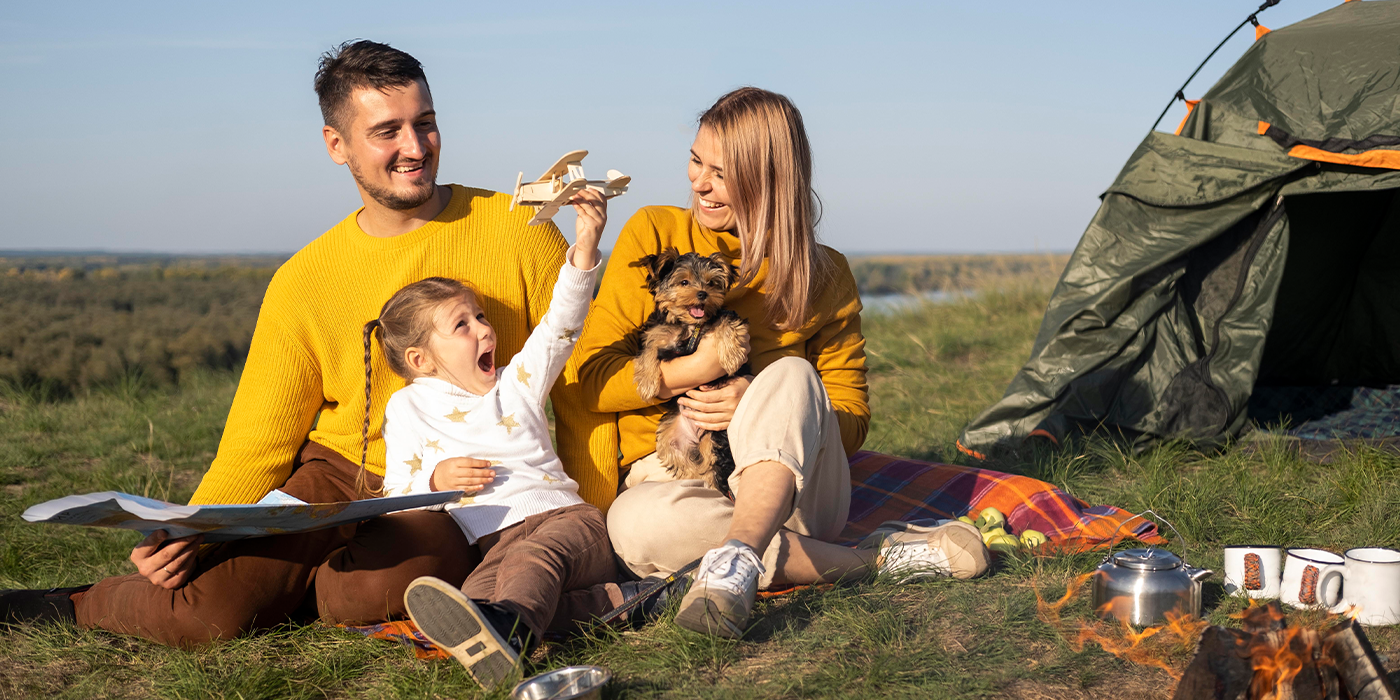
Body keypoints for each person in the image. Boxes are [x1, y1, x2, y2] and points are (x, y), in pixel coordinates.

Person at [0, 40, 619, 647]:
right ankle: (70, 605)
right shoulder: (304, 278)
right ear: (336, 144)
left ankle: (304, 591)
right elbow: (260, 435)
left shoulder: (517, 231)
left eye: (425, 124)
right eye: (387, 131)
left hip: (443, 493)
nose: (414, 148)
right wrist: (196, 527)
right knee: (206, 617)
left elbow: (576, 385)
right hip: (334, 477)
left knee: (395, 584)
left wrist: (599, 523)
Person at [576, 87, 990, 639]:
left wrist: (759, 403)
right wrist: (695, 370)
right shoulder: (656, 232)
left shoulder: (826, 274)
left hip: (794, 487)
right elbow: (591, 382)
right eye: (696, 161)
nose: (699, 181)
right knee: (635, 525)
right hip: (675, 480)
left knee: (789, 376)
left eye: (720, 172)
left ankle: (737, 557)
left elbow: (850, 418)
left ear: (768, 178)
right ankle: (878, 561)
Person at [363, 188, 614, 689]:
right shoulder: (407, 407)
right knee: (475, 598)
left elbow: (559, 328)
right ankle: (625, 600)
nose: (485, 329)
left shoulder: (516, 383)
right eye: (463, 324)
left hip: (567, 523)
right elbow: (394, 493)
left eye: (481, 316)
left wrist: (585, 247)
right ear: (420, 359)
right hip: (491, 545)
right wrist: (433, 478)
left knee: (528, 566)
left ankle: (512, 635)